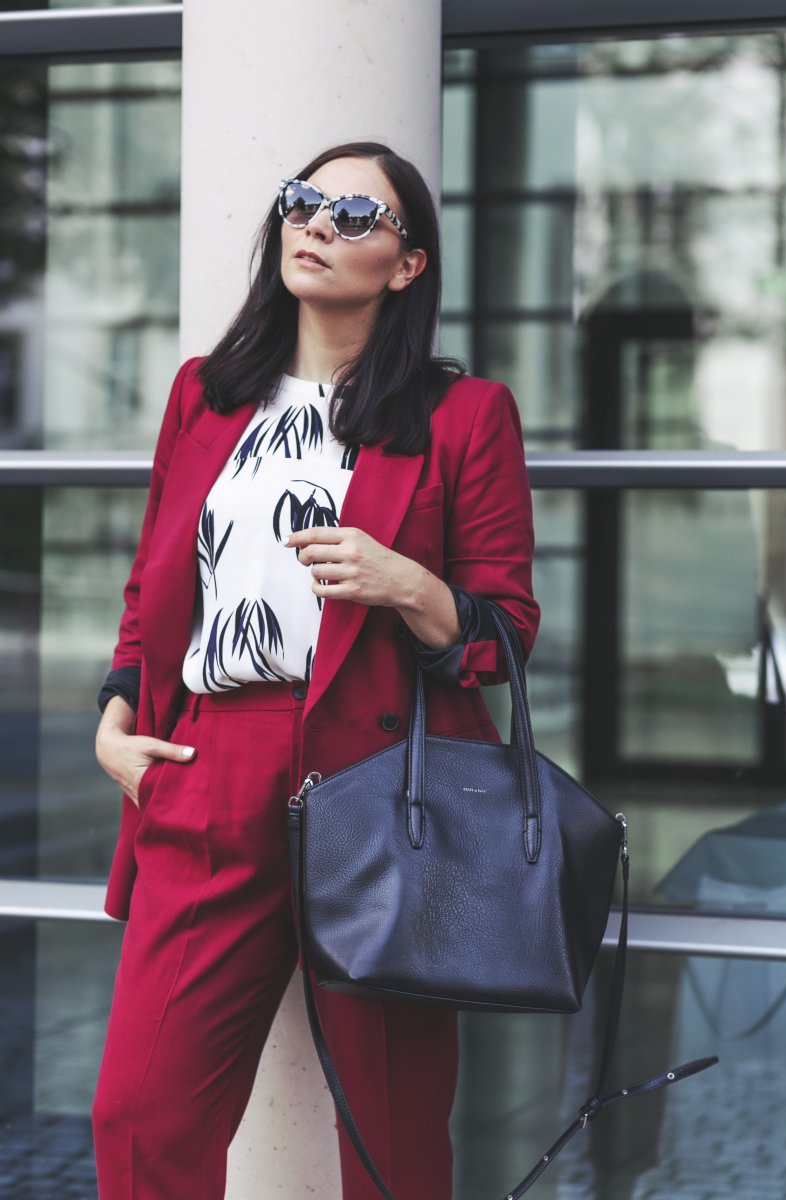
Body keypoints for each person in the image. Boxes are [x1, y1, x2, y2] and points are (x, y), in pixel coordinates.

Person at [92, 140, 540, 1200]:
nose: (316, 225)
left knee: (389, 1139)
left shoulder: (461, 414)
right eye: (304, 203)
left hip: (385, 786)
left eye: (353, 216)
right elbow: (154, 585)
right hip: (206, 764)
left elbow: (504, 632)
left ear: (405, 265)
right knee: (139, 1113)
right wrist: (116, 717)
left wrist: (405, 583)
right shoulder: (205, 395)